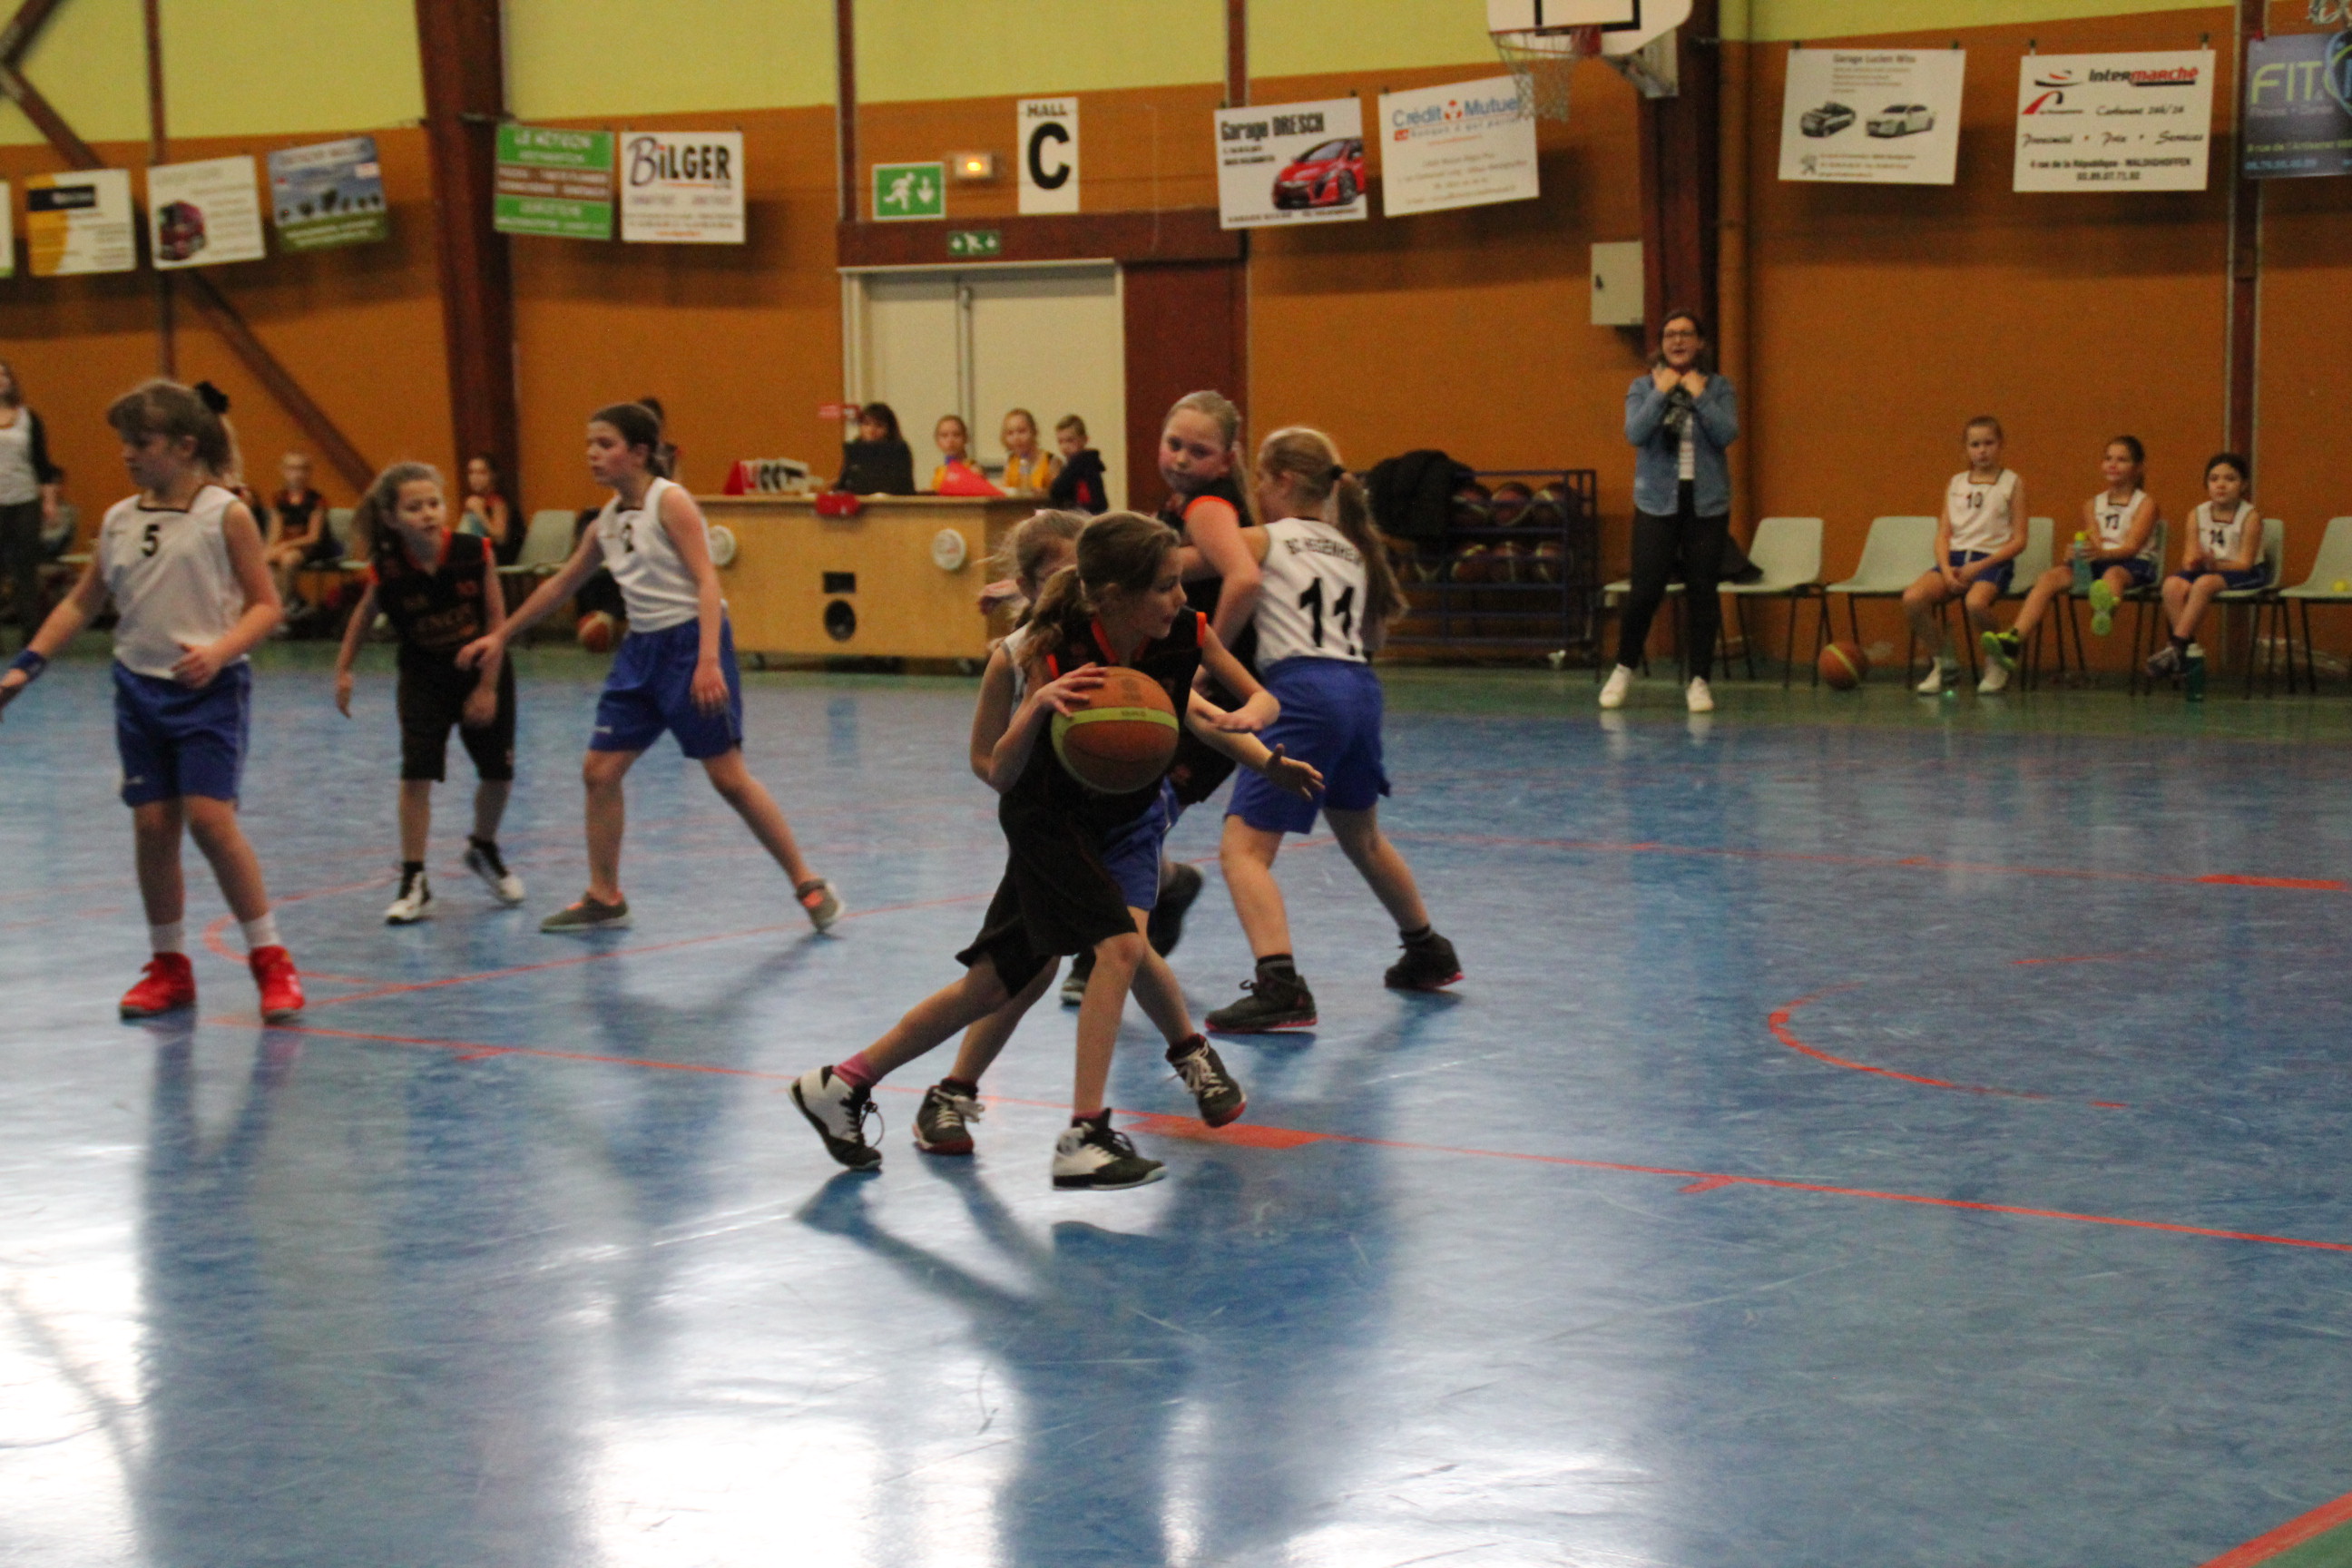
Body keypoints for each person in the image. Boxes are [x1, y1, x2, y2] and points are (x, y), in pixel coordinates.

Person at [789, 512, 1322, 1189]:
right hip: (1049, 820)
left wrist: (1266, 752)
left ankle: (844, 1082)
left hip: (1127, 818)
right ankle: (1087, 1132)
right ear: (1113, 596)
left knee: (996, 984)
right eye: (1165, 585)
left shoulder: (1181, 634)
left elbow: (1232, 706)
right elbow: (993, 769)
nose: (1182, 597)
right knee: (1121, 947)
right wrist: (1036, 706)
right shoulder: (1035, 651)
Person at [458, 401, 842, 935]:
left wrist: (708, 661)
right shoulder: (606, 521)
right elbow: (562, 584)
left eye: (605, 444)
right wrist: (501, 634)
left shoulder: (671, 501)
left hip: (689, 645)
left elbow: (708, 580)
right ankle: (604, 896)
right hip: (640, 652)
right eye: (589, 444)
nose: (593, 454)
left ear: (639, 453)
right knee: (599, 772)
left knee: (728, 778)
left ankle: (807, 881)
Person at [0, 378, 304, 1023]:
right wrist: (28, 665)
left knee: (211, 822)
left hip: (208, 691)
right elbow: (82, 602)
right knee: (151, 826)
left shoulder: (225, 514)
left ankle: (270, 958)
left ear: (185, 445)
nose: (128, 454)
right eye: (125, 443)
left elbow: (266, 605)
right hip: (139, 689)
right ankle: (169, 965)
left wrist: (219, 652)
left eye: (142, 442)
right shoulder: (119, 519)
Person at [1201, 427, 1463, 1032]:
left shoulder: (1264, 539)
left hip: (1303, 691)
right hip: (1359, 688)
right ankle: (1427, 948)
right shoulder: (1353, 549)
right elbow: (1371, 635)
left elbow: (1192, 562)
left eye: (1260, 479)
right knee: (1362, 836)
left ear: (1283, 481)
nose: (1256, 490)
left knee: (1243, 850)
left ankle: (1280, 985)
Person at [333, 461, 525, 924]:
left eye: (434, 503)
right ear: (392, 518)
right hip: (424, 676)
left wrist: (486, 687)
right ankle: (414, 879)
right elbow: (363, 616)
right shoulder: (388, 569)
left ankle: (483, 847)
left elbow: (497, 623)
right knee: (416, 774)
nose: (428, 513)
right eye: (414, 507)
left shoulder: (474, 551)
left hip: (481, 669)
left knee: (498, 774)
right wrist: (343, 669)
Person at [1602, 309, 1740, 715]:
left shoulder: (1719, 387)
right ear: (1661, 345)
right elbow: (1635, 432)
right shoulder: (1642, 386)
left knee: (1703, 592)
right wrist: (1662, 392)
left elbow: (1727, 433)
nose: (1677, 341)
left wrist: (1699, 395)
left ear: (1700, 343)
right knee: (1645, 590)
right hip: (1656, 503)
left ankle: (1699, 681)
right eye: (1669, 335)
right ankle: (1623, 668)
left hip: (1706, 504)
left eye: (1686, 334)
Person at [1982, 436, 2161, 669]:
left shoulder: (2145, 504)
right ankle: (2015, 638)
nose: (2113, 464)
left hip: (2132, 562)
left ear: (2137, 467)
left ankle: (2104, 611)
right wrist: (2079, 551)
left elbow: (2132, 546)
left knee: (2113, 575)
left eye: (2122, 460)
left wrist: (2099, 554)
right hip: (2099, 561)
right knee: (2050, 577)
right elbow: (2095, 540)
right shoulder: (2092, 504)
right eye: (2108, 459)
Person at [1906, 416, 2027, 696]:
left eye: (1988, 443)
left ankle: (1997, 658)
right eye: (1975, 445)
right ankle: (1944, 663)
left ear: (2000, 444)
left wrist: (1980, 565)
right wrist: (1946, 569)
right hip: (1956, 560)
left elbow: (2020, 540)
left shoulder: (2012, 483)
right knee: (1913, 598)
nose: (1982, 451)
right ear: (1966, 448)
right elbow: (1943, 534)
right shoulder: (1956, 483)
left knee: (1975, 603)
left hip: (1992, 560)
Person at [2146, 453, 2263, 691]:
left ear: (2244, 485)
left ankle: (2176, 647)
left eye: (2230, 479)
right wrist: (2196, 561)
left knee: (2204, 584)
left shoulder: (2250, 517)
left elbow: (2245, 563)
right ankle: (2187, 652)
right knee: (2172, 585)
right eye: (2214, 479)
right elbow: (2188, 559)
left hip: (2242, 572)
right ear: (2206, 484)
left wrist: (2215, 565)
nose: (2221, 485)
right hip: (2209, 569)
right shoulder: (2197, 514)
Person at [0, 360, 64, 651]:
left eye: (4, 375)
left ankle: (32, 636)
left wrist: (49, 502)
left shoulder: (29, 418)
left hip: (24, 501)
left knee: (25, 571)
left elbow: (42, 463)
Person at [456, 454, 522, 565]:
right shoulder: (479, 500)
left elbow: (500, 538)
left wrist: (479, 512)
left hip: (502, 559)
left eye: (482, 473)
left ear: (493, 476)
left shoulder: (498, 501)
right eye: (471, 473)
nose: (475, 478)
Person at [837, 403, 915, 495]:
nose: (871, 430)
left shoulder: (899, 450)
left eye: (879, 426)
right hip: (859, 500)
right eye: (866, 424)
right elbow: (844, 482)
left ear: (889, 429)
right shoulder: (854, 450)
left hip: (892, 501)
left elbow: (904, 486)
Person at [1048, 414, 1108, 514]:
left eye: (1070, 441)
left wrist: (1055, 477)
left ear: (1085, 439)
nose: (1065, 447)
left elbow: (1057, 490)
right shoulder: (1089, 462)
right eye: (1060, 442)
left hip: (1085, 516)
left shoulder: (1081, 462)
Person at [997, 408, 1059, 495]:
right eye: (1010, 433)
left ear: (1034, 432)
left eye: (1022, 431)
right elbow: (1002, 490)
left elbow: (1059, 493)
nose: (1016, 438)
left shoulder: (1050, 461)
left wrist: (1043, 492)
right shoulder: (1011, 462)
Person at [931, 414, 981, 492]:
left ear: (965, 438)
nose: (950, 440)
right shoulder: (939, 472)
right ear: (937, 441)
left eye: (956, 435)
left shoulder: (973, 470)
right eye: (944, 436)